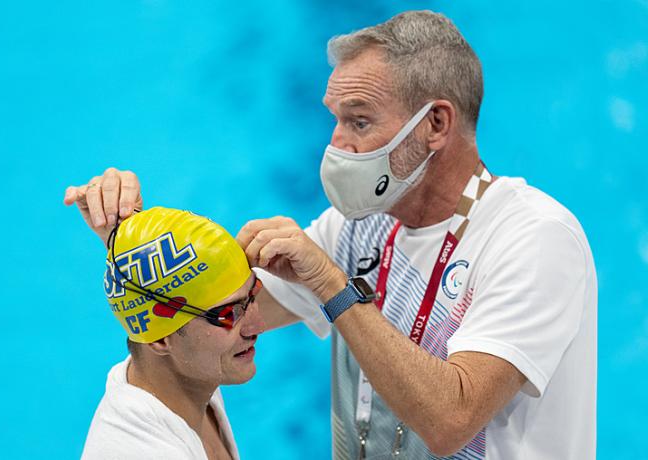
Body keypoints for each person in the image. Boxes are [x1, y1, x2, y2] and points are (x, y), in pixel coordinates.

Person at [66, 10, 597, 459]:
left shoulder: (533, 238)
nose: (337, 146)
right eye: (335, 120)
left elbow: (451, 420)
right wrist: (128, 235)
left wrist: (332, 286)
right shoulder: (361, 225)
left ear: (436, 124)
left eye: (359, 122)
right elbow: (204, 308)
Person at [80, 207, 265, 460]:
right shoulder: (144, 450)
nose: (258, 326)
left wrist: (130, 245)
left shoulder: (188, 380)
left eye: (253, 294)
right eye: (228, 314)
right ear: (159, 339)